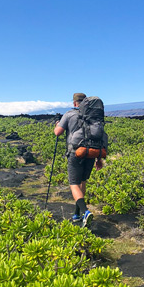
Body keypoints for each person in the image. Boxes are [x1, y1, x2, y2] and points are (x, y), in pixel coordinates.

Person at [54, 92, 105, 225]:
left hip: (76, 153)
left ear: (75, 103)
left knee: (73, 183)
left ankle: (85, 211)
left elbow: (58, 132)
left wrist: (57, 124)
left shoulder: (70, 114)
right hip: (92, 153)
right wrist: (99, 159)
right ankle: (77, 214)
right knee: (82, 181)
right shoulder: (93, 117)